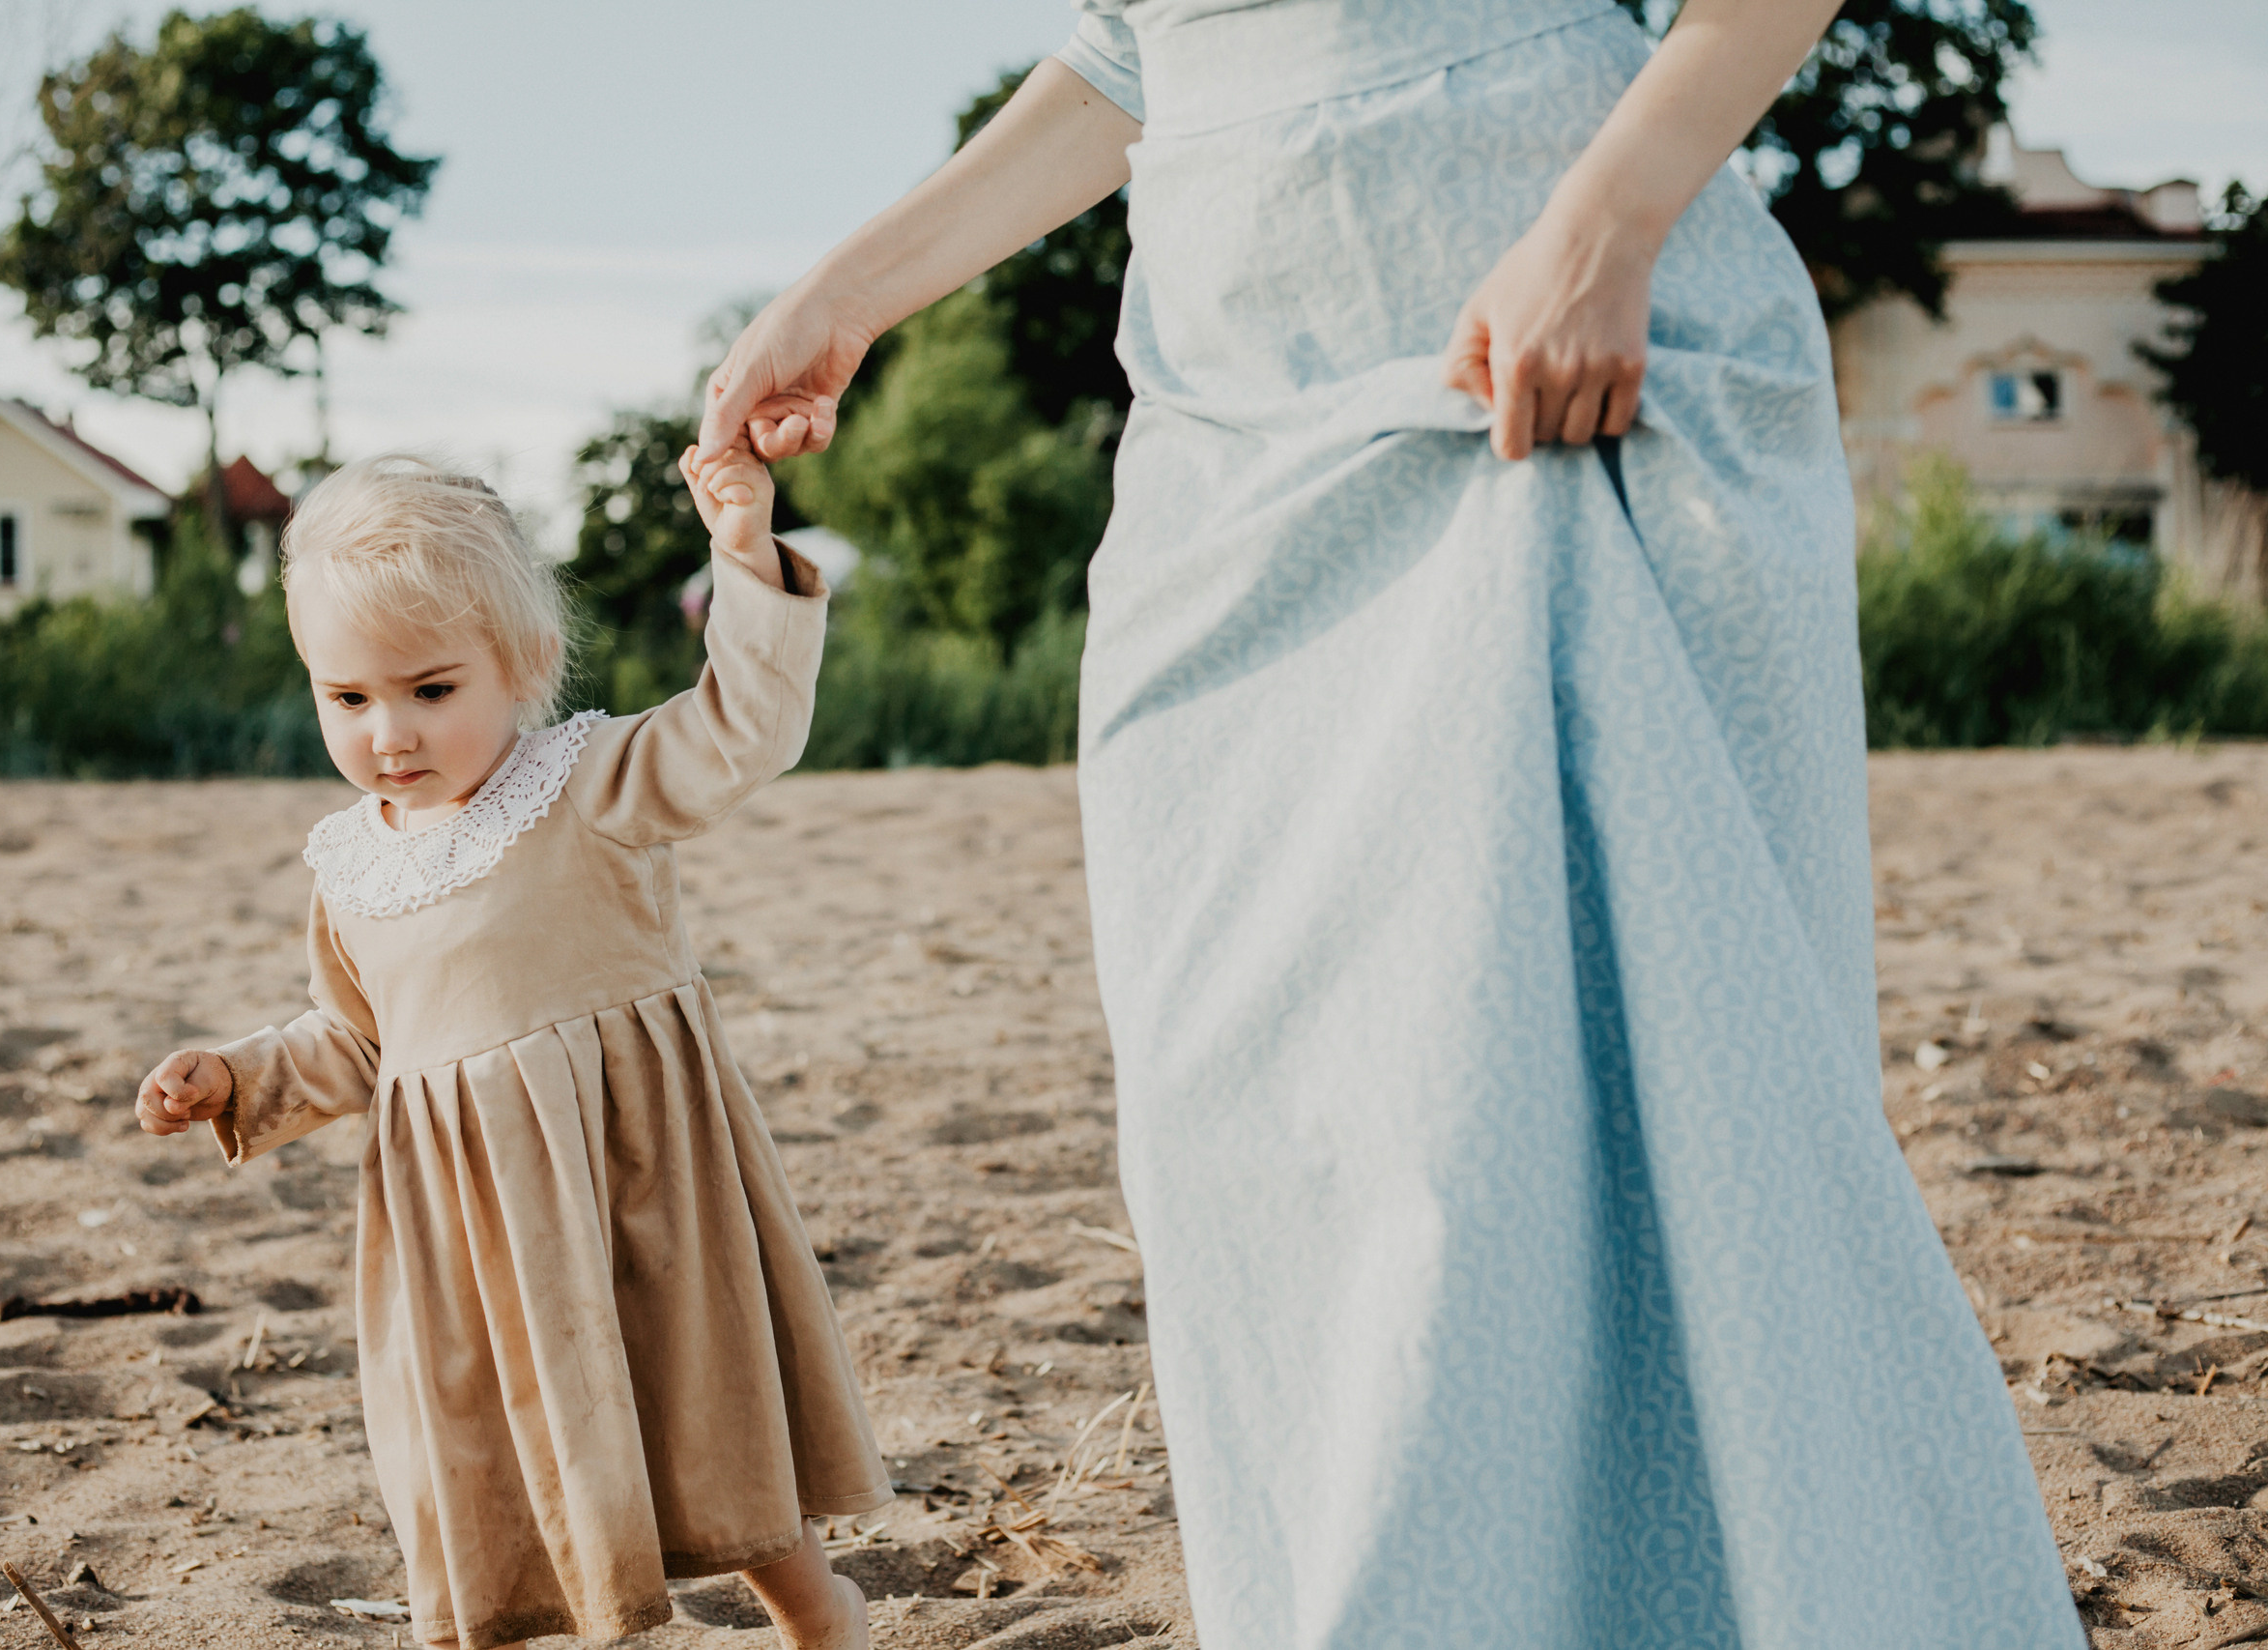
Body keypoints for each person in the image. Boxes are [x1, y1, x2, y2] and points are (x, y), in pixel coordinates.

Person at [702, 3, 2083, 1647]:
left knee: (1564, 1117)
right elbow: (1133, 48)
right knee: (1253, 1135)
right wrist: (853, 290)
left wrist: (1606, 218)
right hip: (1230, 417)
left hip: (1551, 342)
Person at [130, 449, 885, 1650]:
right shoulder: (353, 868)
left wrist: (742, 556)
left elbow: (743, 729)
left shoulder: (588, 783)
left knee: (705, 1417)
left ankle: (817, 1612)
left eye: (431, 690)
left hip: (636, 1191)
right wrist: (236, 1075)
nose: (390, 733)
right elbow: (357, 1038)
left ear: (521, 665)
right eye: (350, 698)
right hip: (472, 1237)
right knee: (487, 1462)